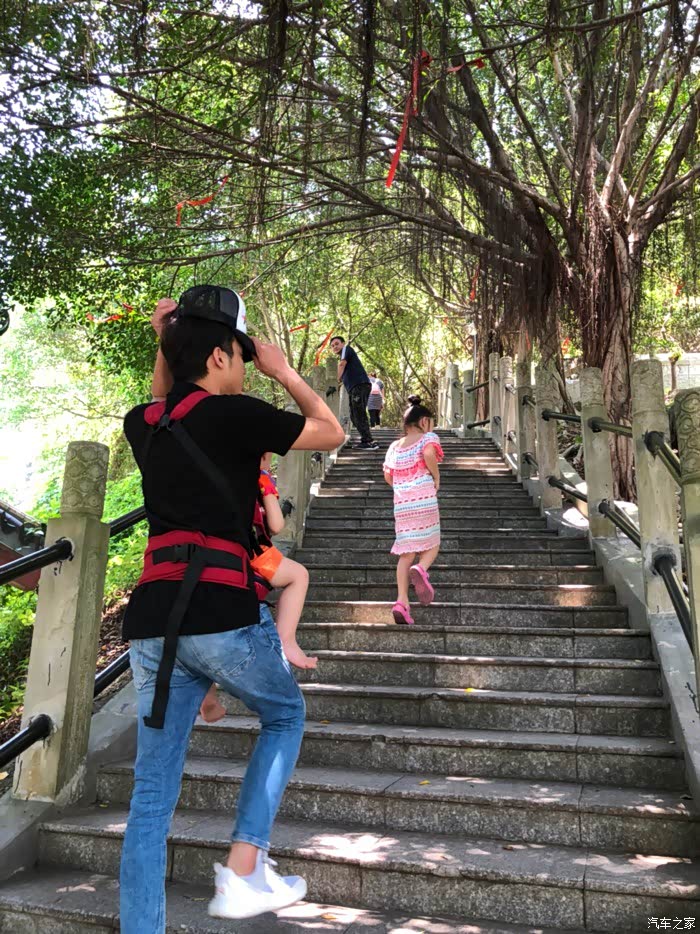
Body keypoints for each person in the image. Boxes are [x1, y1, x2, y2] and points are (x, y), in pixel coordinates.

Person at [119, 285, 344, 931]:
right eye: (241, 355)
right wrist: (285, 371)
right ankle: (244, 869)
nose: (245, 365)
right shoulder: (237, 414)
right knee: (285, 714)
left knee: (150, 798)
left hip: (152, 623)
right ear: (219, 356)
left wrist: (167, 341)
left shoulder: (142, 423)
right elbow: (332, 432)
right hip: (220, 608)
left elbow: (167, 404)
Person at [200, 452, 317, 722]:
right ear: (263, 457)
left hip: (209, 561)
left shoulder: (213, 474)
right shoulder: (260, 478)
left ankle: (208, 698)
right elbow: (276, 525)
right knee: (298, 575)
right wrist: (267, 489)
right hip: (254, 557)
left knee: (200, 633)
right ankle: (287, 640)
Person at [382, 396, 444, 625]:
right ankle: (422, 568)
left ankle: (401, 601)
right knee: (432, 543)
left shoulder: (394, 446)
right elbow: (428, 454)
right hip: (424, 496)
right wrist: (436, 477)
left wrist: (402, 487)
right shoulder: (428, 437)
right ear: (424, 421)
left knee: (405, 553)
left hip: (402, 504)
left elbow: (387, 475)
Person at [330, 335, 378, 449]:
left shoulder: (346, 349)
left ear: (343, 343)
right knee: (354, 416)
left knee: (358, 413)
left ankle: (368, 441)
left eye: (337, 344)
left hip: (359, 385)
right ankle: (367, 440)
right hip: (355, 388)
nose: (335, 347)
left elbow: (342, 365)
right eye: (332, 346)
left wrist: (333, 382)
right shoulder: (344, 357)